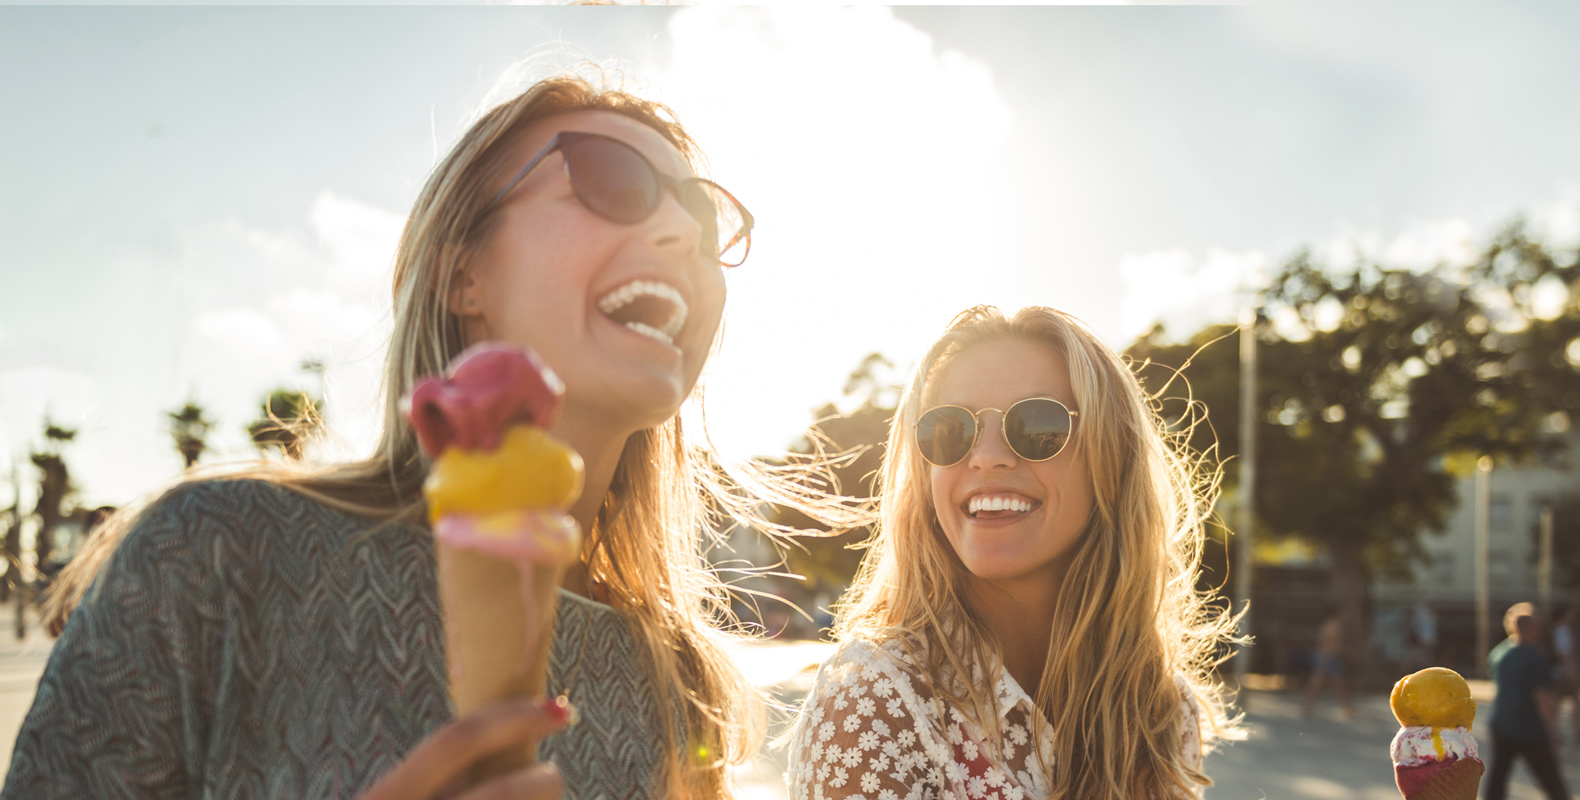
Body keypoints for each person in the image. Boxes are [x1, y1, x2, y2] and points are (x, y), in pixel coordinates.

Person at [4, 71, 813, 800]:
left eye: (705, 215)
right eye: (611, 180)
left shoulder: (676, 673)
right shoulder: (216, 552)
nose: (681, 230)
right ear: (464, 273)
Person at [788, 306, 1241, 800]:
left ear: (1112, 458)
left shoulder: (1163, 712)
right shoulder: (873, 701)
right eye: (951, 429)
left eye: (1037, 425)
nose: (985, 456)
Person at [1486, 603, 1572, 800]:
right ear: (1531, 629)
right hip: (1530, 727)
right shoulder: (1535, 657)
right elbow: (1541, 697)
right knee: (1550, 778)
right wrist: (1553, 731)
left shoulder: (1498, 653)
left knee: (1498, 775)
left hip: (1501, 723)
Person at [1300, 609, 1355, 721]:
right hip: (1327, 657)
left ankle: (1347, 707)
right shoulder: (1332, 625)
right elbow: (1327, 642)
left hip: (1329, 657)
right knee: (1320, 683)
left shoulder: (1331, 624)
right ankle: (1306, 706)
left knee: (1337, 683)